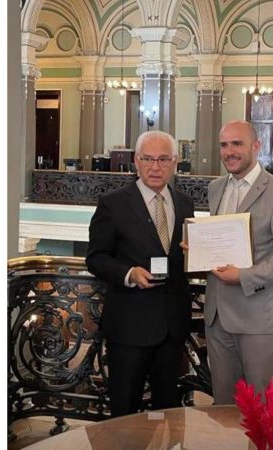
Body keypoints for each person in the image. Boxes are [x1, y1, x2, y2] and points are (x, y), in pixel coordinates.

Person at [86, 130, 195, 417]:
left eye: (163, 159)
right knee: (124, 412)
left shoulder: (185, 203)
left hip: (172, 327)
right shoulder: (113, 203)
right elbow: (95, 258)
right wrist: (129, 273)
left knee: (168, 414)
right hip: (129, 328)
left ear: (174, 162)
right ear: (136, 161)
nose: (155, 167)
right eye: (148, 159)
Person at [204, 120, 273, 405]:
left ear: (256, 146)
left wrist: (245, 276)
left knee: (263, 412)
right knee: (224, 410)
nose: (229, 151)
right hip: (217, 318)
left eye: (237, 144)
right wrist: (199, 250)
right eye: (224, 145)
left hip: (259, 320)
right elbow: (222, 241)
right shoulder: (215, 188)